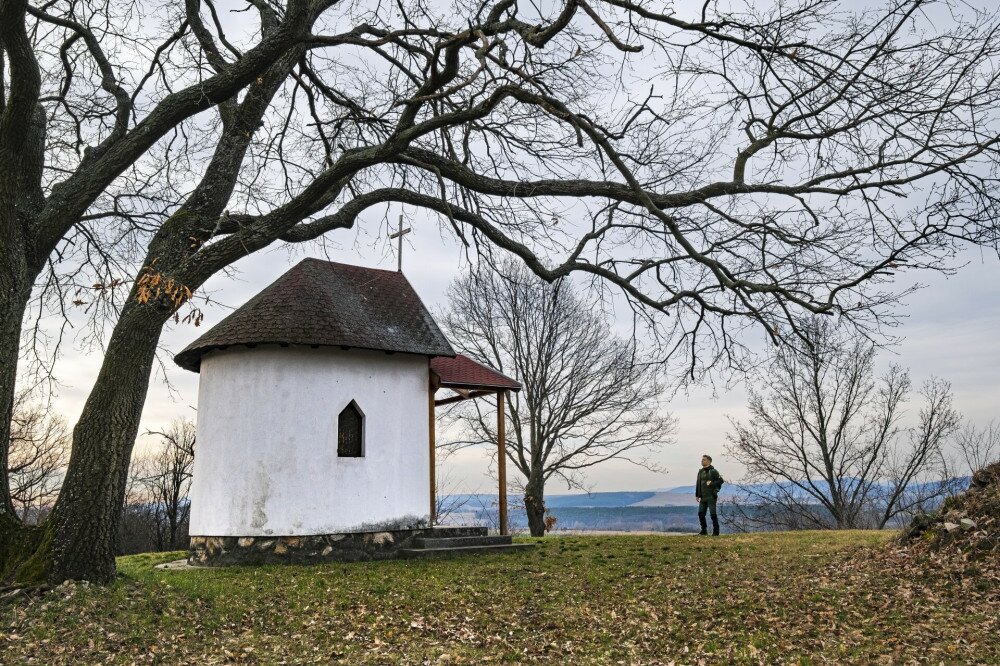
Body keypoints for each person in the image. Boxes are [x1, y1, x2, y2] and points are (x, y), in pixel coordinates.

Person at [695, 455, 724, 536]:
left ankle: (716, 532)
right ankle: (704, 531)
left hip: (711, 496)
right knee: (700, 514)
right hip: (703, 497)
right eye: (702, 460)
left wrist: (712, 484)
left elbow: (721, 481)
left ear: (709, 461)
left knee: (713, 514)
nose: (702, 461)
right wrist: (697, 495)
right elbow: (698, 483)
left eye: (704, 460)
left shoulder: (713, 471)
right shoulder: (700, 471)